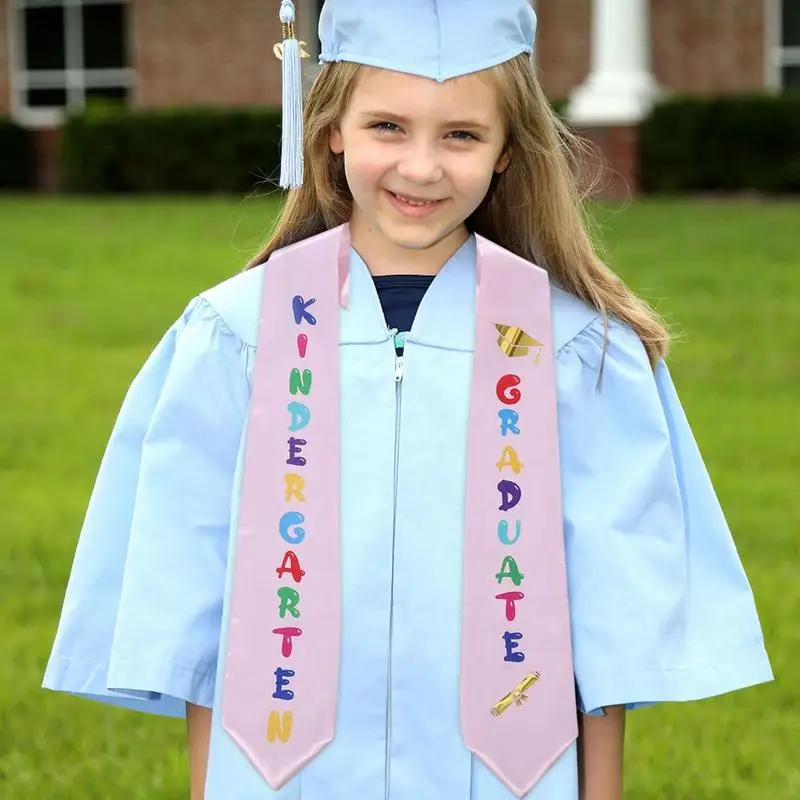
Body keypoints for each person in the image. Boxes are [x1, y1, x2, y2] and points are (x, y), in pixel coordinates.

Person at [43, 1, 773, 798]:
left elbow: (611, 627)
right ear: (330, 127)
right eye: (387, 127)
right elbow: (191, 600)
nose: (420, 168)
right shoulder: (236, 337)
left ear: (506, 151)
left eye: (462, 134)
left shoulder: (572, 350)